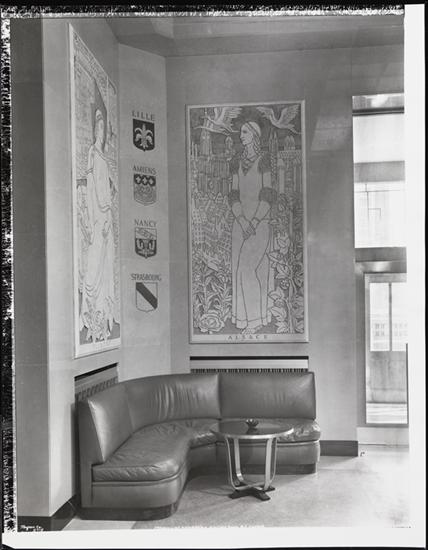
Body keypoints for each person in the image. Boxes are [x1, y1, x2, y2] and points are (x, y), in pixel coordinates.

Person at [229, 121, 277, 334]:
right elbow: (233, 194)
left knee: (247, 268)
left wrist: (255, 221)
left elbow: (268, 193)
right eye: (241, 132)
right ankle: (245, 318)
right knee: (239, 270)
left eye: (245, 132)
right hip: (240, 224)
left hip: (259, 223)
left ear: (255, 136)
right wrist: (241, 220)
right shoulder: (235, 162)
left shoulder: (264, 160)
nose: (241, 135)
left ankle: (255, 320)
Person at [79, 107, 116, 342]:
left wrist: (108, 216)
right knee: (95, 267)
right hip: (98, 217)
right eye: (99, 126)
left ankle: (103, 318)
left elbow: (108, 191)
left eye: (104, 127)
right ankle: (91, 317)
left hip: (107, 217)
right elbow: (93, 188)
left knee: (107, 265)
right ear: (95, 130)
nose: (101, 131)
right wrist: (97, 219)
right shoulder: (93, 153)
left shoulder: (105, 158)